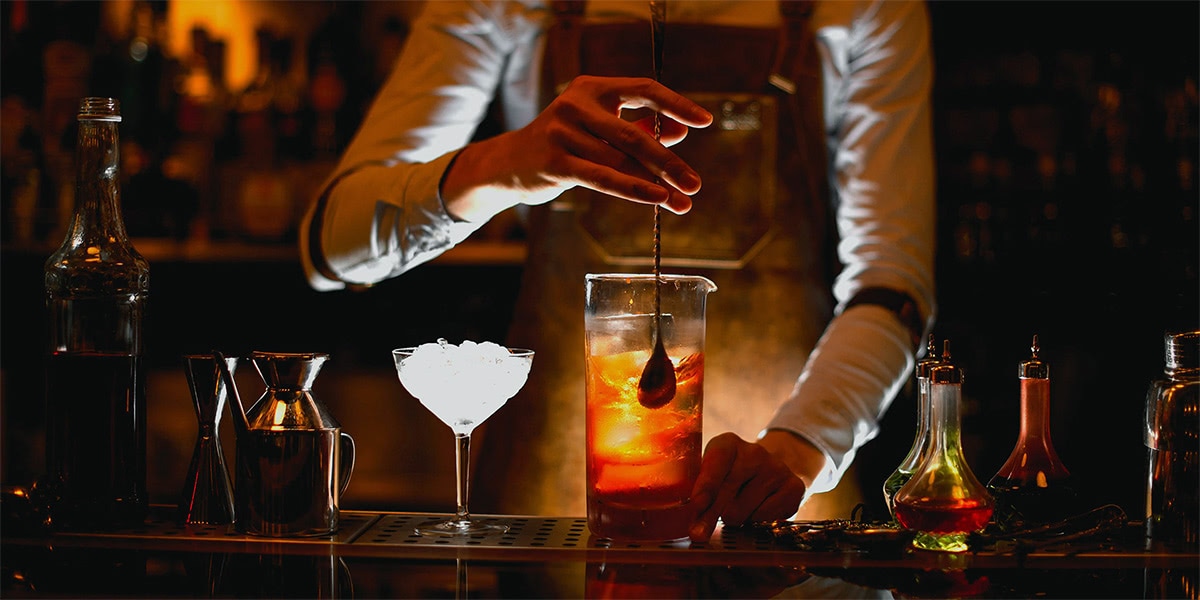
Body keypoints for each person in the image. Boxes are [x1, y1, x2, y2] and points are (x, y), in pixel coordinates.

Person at [300, 0, 935, 543]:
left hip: (776, 523)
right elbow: (332, 247)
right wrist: (502, 166)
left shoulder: (862, 9)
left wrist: (796, 449)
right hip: (551, 528)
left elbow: (893, 284)